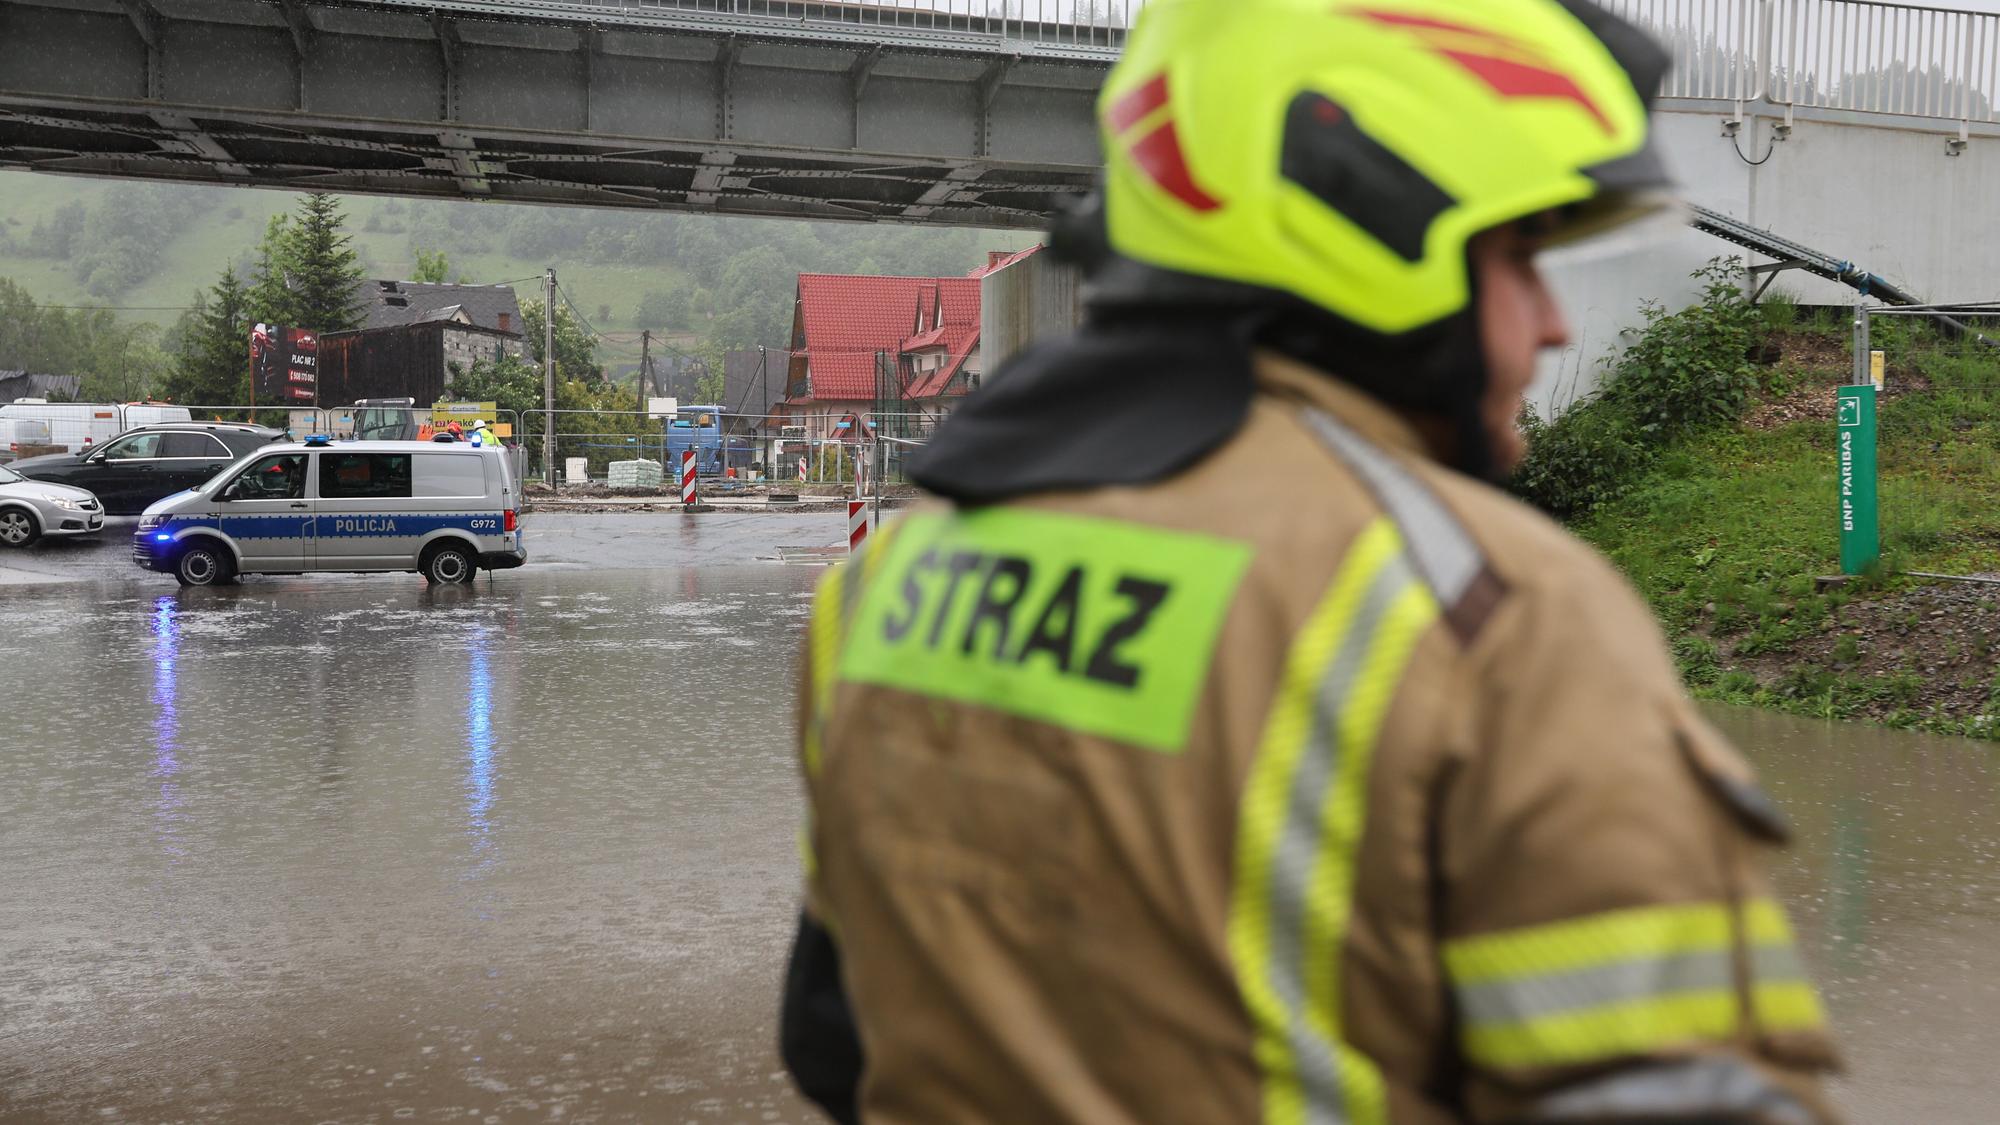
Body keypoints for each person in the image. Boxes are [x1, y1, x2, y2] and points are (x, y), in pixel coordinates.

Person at [780, 1, 1840, 1122]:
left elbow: (832, 1040)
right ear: (1374, 227)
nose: (1551, 324)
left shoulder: (886, 586)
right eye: (1519, 257)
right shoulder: (1486, 609)